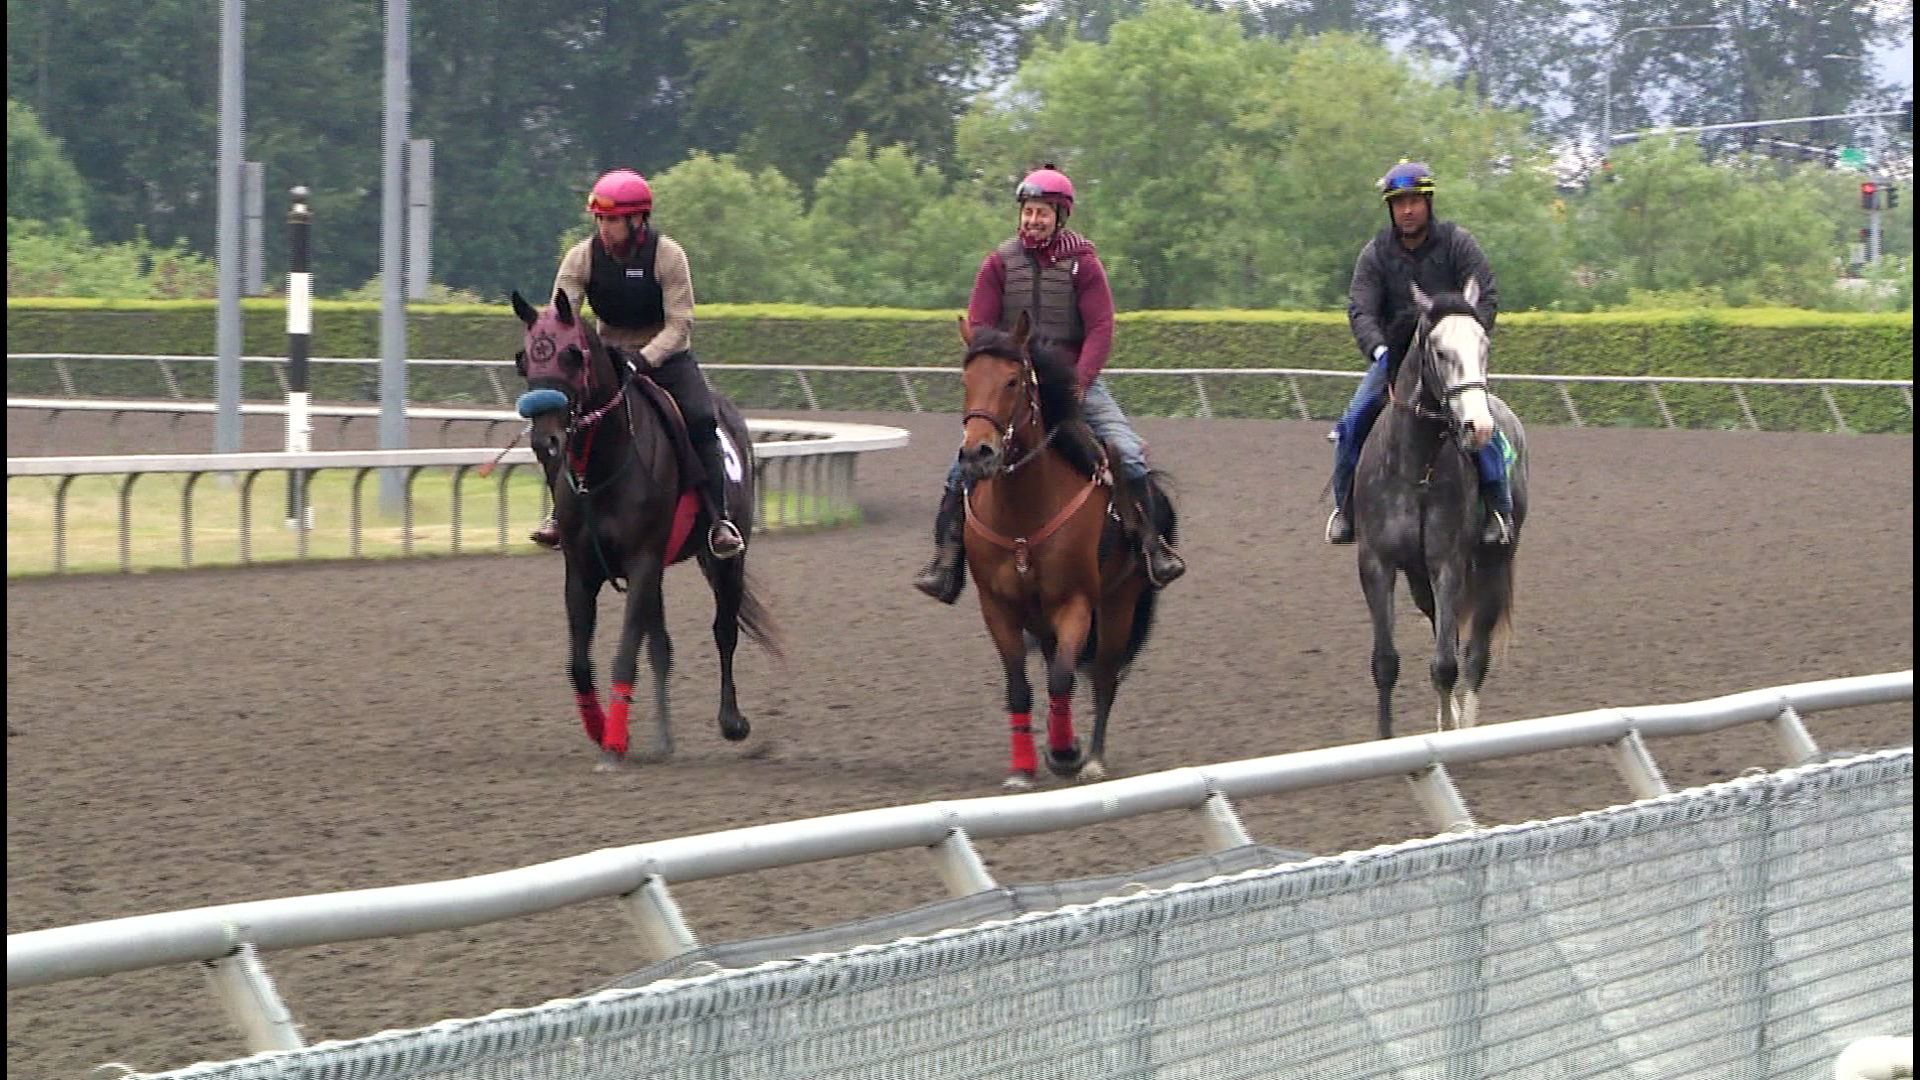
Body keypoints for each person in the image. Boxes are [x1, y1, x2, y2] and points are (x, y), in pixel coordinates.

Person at [913, 164, 1186, 602]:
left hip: (1074, 385)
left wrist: (1080, 382)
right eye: (1027, 211)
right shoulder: (998, 264)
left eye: (1041, 212)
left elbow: (1101, 328)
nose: (1031, 220)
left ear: (1060, 216)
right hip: (1015, 385)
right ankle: (947, 563)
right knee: (959, 467)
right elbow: (981, 325)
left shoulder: (1084, 265)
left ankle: (1152, 547)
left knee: (1130, 456)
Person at [529, 168, 745, 559]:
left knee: (700, 418)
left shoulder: (668, 255)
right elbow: (562, 317)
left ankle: (719, 519)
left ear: (637, 219)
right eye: (600, 219)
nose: (605, 228)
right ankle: (561, 513)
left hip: (667, 358)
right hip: (608, 359)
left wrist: (645, 359)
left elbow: (681, 322)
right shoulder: (581, 258)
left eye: (612, 220)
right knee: (565, 425)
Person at [1325, 159, 1512, 547]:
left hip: (1451, 358)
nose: (1407, 210)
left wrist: (1468, 337)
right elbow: (1361, 309)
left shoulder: (1459, 244)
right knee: (1353, 423)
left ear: (1428, 202)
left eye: (1414, 201)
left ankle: (1498, 508)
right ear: (1391, 209)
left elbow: (1487, 295)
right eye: (1399, 203)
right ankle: (1346, 511)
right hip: (1396, 360)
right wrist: (1379, 351)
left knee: (1483, 423)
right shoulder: (1375, 255)